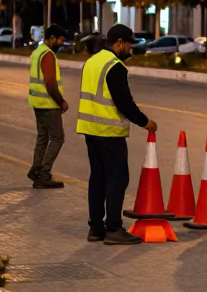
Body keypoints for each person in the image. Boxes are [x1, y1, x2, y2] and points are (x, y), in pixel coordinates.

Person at [76, 23, 158, 245]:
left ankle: (95, 227)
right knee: (117, 179)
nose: (131, 49)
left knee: (98, 178)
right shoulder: (115, 66)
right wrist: (145, 122)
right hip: (109, 132)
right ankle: (113, 228)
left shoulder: (91, 62)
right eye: (129, 44)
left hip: (90, 129)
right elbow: (124, 103)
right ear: (119, 43)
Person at [27, 23, 69, 189]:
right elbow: (50, 83)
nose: (62, 43)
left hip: (38, 103)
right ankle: (44, 174)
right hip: (48, 104)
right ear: (51, 38)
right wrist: (61, 102)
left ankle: (35, 170)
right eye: (60, 39)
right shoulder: (48, 54)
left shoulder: (37, 52)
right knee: (58, 138)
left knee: (43, 138)